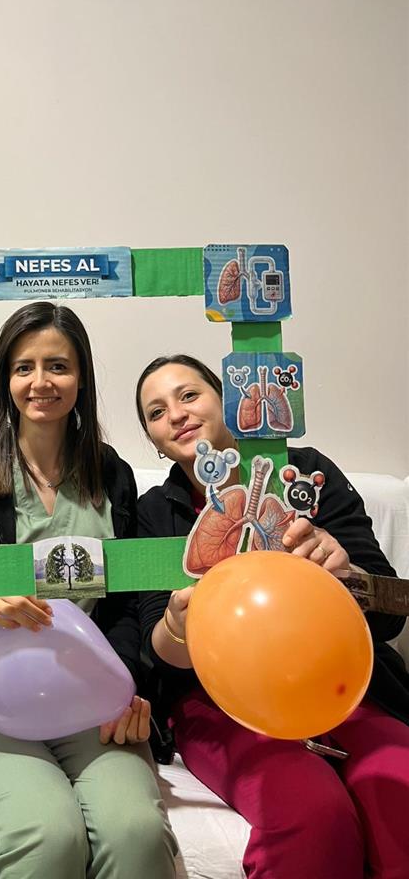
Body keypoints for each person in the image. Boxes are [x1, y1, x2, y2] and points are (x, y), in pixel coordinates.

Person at [0, 301, 177, 879]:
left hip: (87, 697)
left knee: (136, 834)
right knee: (48, 836)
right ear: (5, 380)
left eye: (57, 366)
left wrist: (125, 687)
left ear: (81, 377)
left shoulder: (112, 475)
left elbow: (125, 607)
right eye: (23, 367)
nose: (40, 382)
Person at [134, 353, 409, 879]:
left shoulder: (304, 474)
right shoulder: (155, 512)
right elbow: (156, 659)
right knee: (312, 814)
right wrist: (177, 625)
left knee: (399, 791)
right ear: (154, 440)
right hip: (218, 704)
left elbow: (389, 611)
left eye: (189, 395)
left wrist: (344, 574)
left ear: (226, 401)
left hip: (338, 686)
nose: (176, 414)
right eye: (156, 411)